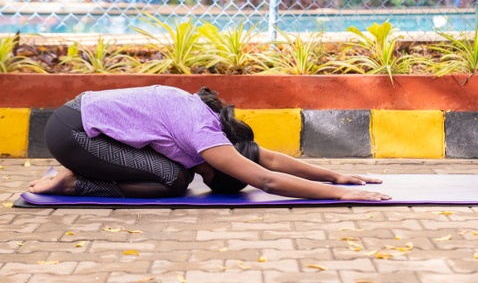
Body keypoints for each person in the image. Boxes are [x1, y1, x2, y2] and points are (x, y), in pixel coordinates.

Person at [29, 85, 391, 201]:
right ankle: (74, 180)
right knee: (173, 180)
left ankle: (77, 170)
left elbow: (268, 159)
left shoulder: (207, 121)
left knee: (175, 173)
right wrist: (341, 195)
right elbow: (266, 178)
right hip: (72, 134)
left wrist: (333, 175)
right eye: (211, 176)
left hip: (78, 121)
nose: (203, 173)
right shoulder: (203, 135)